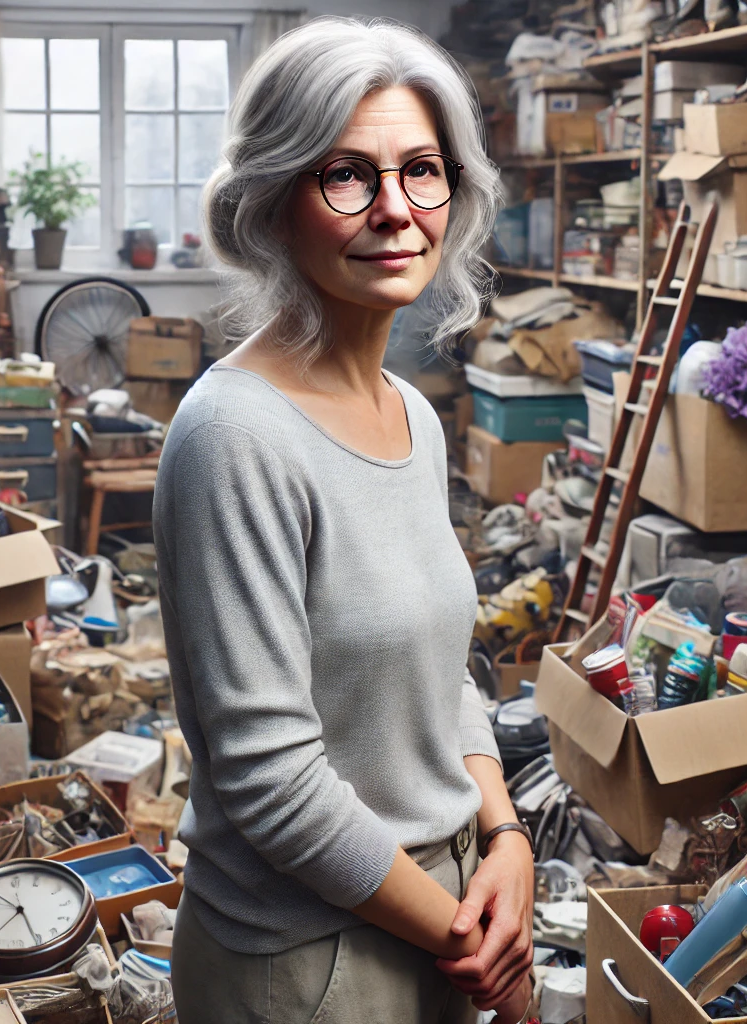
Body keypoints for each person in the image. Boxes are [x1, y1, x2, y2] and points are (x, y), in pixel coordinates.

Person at [153, 17, 536, 1023]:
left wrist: (505, 840)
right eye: (347, 175)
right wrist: (479, 946)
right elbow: (268, 776)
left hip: (440, 916)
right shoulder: (233, 435)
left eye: (421, 171)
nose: (395, 211)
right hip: (310, 963)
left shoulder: (409, 412)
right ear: (274, 201)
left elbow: (440, 665)